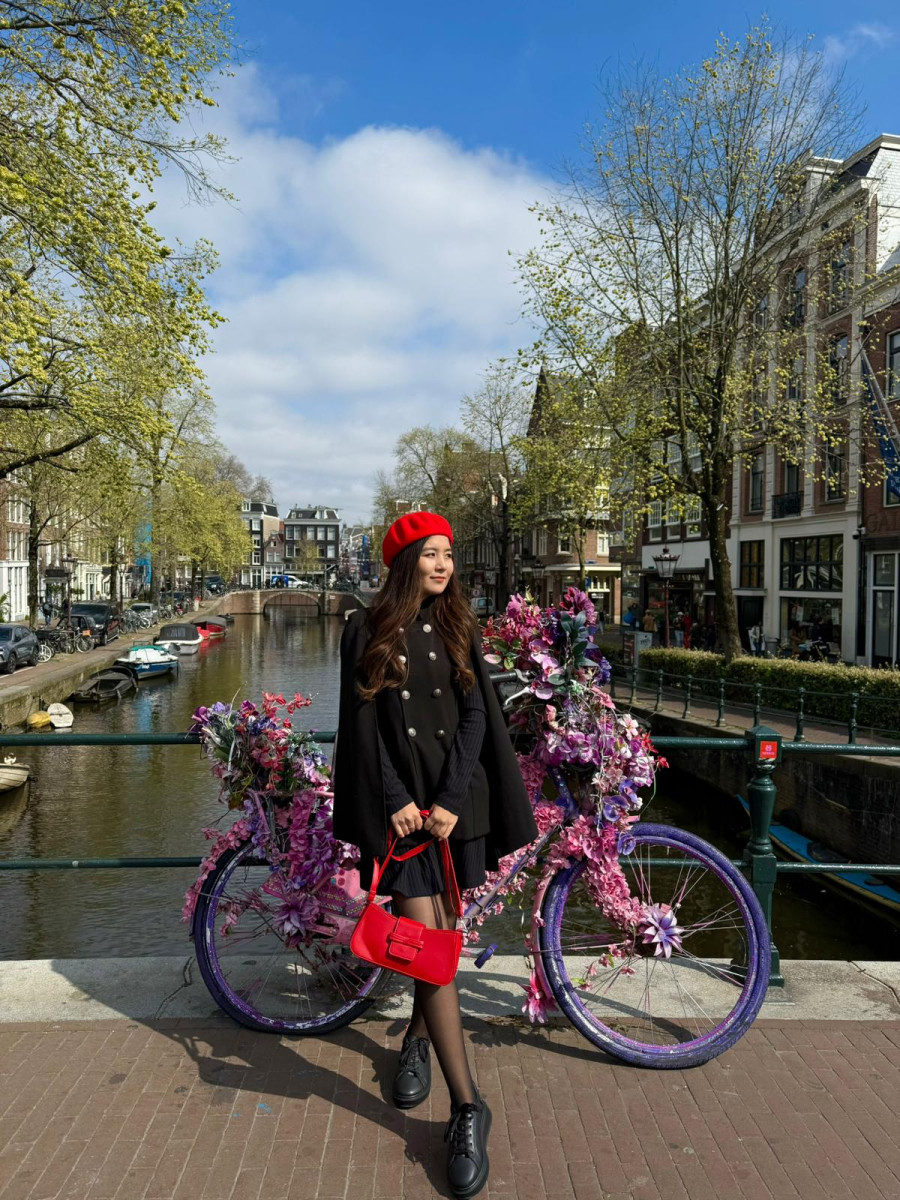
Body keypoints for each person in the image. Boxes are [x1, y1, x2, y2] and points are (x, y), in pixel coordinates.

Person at [333, 510, 537, 1199]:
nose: (444, 564)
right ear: (405, 562)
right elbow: (362, 721)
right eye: (431, 554)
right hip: (403, 814)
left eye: (448, 553)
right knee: (425, 949)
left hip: (454, 812)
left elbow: (477, 713)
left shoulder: (458, 624)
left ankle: (415, 1041)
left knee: (439, 946)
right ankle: (468, 1107)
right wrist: (394, 798)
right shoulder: (365, 628)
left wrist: (450, 798)